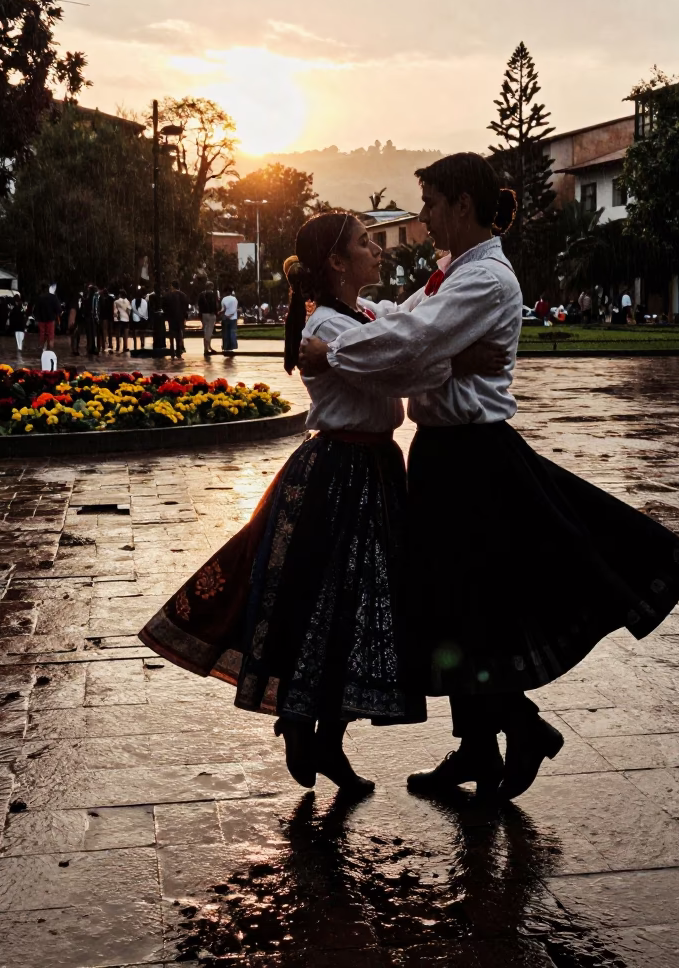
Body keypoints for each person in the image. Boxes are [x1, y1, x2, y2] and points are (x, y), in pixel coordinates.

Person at [300, 152, 679, 802]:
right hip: (445, 452)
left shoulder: (483, 280)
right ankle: (481, 746)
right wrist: (439, 359)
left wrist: (337, 350)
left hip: (473, 457)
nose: (424, 216)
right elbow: (407, 336)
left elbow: (405, 350)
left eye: (430, 202)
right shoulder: (450, 274)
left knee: (469, 602)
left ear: (462, 203)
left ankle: (519, 727)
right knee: (456, 605)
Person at [139, 210, 504, 794]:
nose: (376, 251)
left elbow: (406, 324)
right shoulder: (331, 329)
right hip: (342, 472)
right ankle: (307, 725)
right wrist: (462, 360)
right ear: (336, 262)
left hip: (370, 469)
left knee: (348, 605)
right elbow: (398, 366)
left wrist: (443, 307)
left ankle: (321, 735)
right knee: (326, 602)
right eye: (365, 244)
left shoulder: (355, 317)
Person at [33, 283, 61, 350]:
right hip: (51, 320)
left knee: (42, 334)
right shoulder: (53, 297)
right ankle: (50, 349)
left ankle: (42, 348)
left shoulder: (39, 298)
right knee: (50, 335)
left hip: (41, 320)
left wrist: (37, 318)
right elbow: (58, 309)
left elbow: (35, 310)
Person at [164, 280, 188, 359]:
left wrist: (166, 316)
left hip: (171, 318)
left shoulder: (168, 295)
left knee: (172, 334)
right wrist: (185, 317)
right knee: (179, 335)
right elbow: (185, 308)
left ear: (172, 286)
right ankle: (179, 351)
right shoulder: (183, 295)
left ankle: (172, 352)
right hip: (180, 318)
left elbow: (165, 307)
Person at [198, 282, 219, 356]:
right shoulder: (213, 294)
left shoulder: (201, 294)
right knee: (209, 331)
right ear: (212, 287)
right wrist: (216, 313)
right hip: (211, 314)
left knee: (206, 330)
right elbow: (215, 304)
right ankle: (207, 348)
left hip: (204, 314)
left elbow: (199, 305)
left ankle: (207, 347)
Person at [220, 287, 238, 353]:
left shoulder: (223, 299)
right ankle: (232, 346)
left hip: (225, 317)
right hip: (233, 318)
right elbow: (235, 308)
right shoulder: (234, 299)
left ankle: (226, 346)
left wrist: (222, 314)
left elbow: (223, 309)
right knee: (232, 332)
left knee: (225, 333)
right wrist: (231, 314)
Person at [113, 288, 132, 353]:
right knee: (125, 334)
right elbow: (129, 311)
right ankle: (125, 347)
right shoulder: (128, 301)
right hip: (126, 319)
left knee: (118, 334)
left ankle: (118, 347)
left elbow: (115, 312)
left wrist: (115, 317)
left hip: (119, 319)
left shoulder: (116, 302)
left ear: (120, 294)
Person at [98, 288, 115, 353]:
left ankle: (104, 342)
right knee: (110, 331)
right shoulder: (111, 298)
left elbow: (99, 308)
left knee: (104, 330)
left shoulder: (101, 299)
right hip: (110, 315)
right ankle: (110, 344)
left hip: (103, 316)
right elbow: (113, 307)